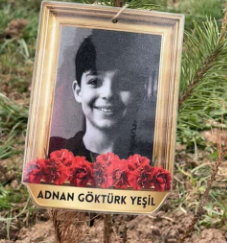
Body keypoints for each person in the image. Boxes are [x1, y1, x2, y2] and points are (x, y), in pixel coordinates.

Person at [48, 30, 156, 162]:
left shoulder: (152, 160)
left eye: (123, 84)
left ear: (139, 93)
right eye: (95, 82)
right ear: (78, 91)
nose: (108, 94)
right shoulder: (54, 156)